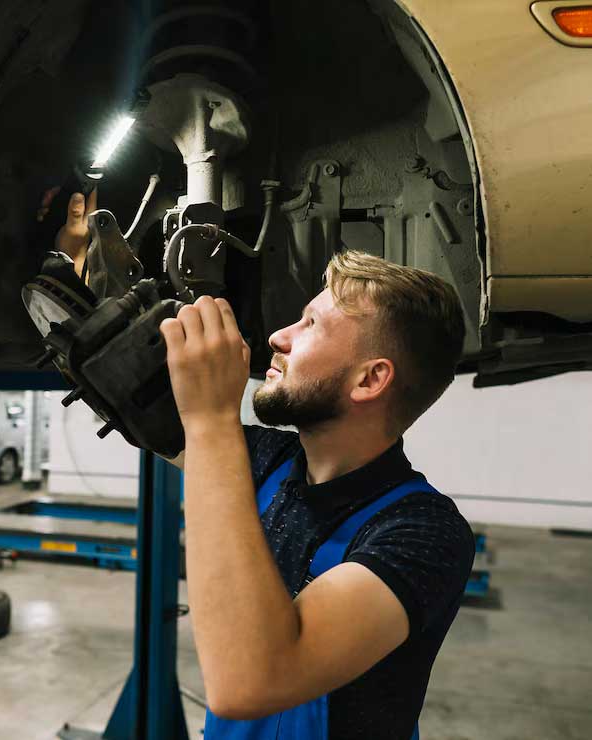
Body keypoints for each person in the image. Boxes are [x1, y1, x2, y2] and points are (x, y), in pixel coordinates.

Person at [47, 190, 475, 739]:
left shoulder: (424, 535)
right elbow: (137, 406)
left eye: (310, 325)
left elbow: (249, 680)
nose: (277, 336)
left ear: (371, 379)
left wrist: (210, 418)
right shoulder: (266, 459)